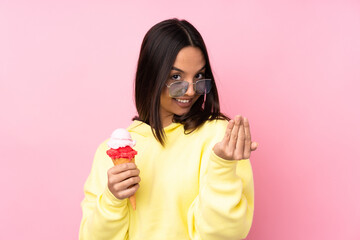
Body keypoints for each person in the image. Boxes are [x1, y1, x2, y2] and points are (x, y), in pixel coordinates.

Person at [79, 18, 258, 240]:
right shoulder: (110, 151)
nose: (192, 91)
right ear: (151, 76)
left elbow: (227, 234)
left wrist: (222, 167)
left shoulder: (219, 138)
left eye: (199, 77)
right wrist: (112, 199)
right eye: (176, 77)